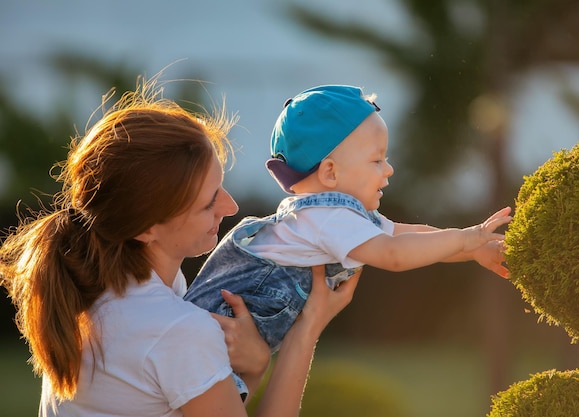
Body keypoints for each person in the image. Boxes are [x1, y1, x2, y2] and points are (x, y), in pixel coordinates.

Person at [0, 77, 360, 417]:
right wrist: (305, 329)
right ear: (146, 228)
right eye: (208, 203)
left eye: (221, 186)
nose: (231, 207)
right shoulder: (175, 328)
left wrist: (250, 366)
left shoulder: (94, 298)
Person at [184, 84, 512, 369]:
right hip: (208, 338)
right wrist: (466, 238)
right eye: (377, 160)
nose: (389, 169)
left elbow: (407, 236)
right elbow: (395, 254)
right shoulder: (326, 217)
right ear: (329, 173)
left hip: (224, 349)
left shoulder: (335, 215)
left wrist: (473, 250)